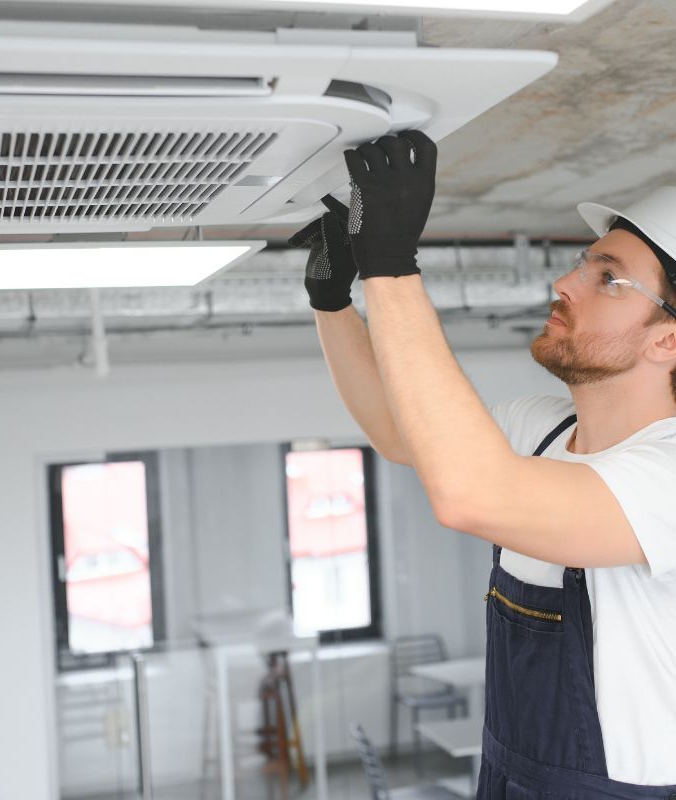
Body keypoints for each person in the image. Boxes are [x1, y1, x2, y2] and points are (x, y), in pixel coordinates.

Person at [289, 130, 676, 799]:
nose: (565, 283)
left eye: (606, 278)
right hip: (507, 776)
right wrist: (333, 299)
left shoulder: (667, 474)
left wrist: (391, 267)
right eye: (581, 264)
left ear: (667, 338)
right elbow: (400, 431)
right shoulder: (541, 427)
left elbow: (469, 494)